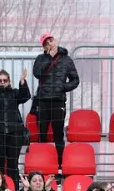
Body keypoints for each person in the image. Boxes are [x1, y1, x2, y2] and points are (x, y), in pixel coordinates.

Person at [32, 34, 80, 164]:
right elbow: (37, 74)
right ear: (44, 46)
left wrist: (63, 87)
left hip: (58, 101)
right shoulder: (41, 58)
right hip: (43, 101)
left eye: (51, 40)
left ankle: (59, 164)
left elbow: (75, 80)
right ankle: (41, 163)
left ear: (56, 41)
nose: (50, 43)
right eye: (46, 42)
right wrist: (49, 58)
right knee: (42, 134)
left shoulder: (67, 59)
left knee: (58, 133)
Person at [0, 69, 32, 180]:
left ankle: (14, 189)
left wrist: (23, 82)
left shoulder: (14, 93)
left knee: (13, 164)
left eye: (5, 80)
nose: (3, 82)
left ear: (9, 81)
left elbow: (25, 97)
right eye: (0, 80)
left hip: (15, 132)